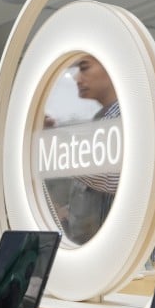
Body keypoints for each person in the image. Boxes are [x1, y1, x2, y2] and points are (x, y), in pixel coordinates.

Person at [45, 55, 121, 244]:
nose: (77, 77)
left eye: (84, 67)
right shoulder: (102, 121)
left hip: (118, 252)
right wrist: (69, 210)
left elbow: (113, 179)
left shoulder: (126, 120)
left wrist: (52, 139)